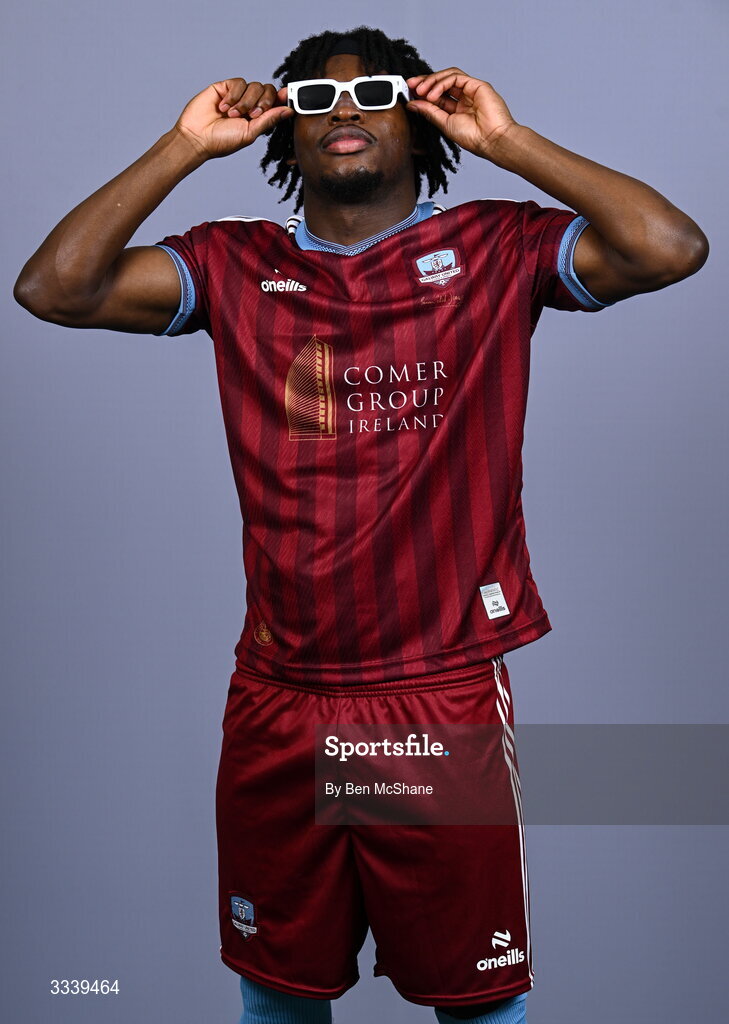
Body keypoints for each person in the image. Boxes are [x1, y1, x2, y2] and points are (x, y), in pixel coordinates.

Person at [14, 24, 708, 1024]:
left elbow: (670, 246)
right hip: (279, 694)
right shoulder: (233, 264)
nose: (344, 109)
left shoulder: (496, 248)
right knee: (280, 996)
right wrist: (181, 146)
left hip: (437, 692)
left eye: (374, 91)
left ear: (418, 119)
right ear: (280, 135)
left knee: (475, 1002)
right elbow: (53, 288)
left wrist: (509, 141)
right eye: (313, 99)